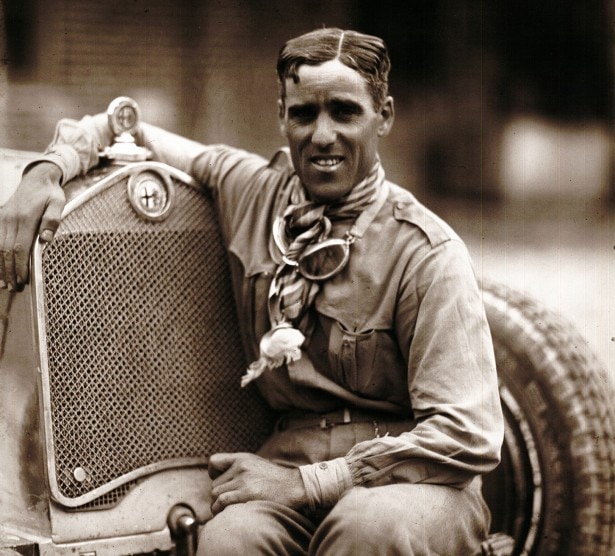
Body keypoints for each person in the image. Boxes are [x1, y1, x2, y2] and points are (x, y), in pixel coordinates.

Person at [0, 28, 504, 554]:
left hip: (411, 485)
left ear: (384, 116)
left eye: (345, 112)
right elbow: (123, 127)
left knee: (366, 528)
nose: (323, 135)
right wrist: (46, 171)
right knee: (228, 539)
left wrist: (309, 483)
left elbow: (466, 434)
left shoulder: (426, 252)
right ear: (282, 116)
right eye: (304, 114)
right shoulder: (253, 192)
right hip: (287, 467)